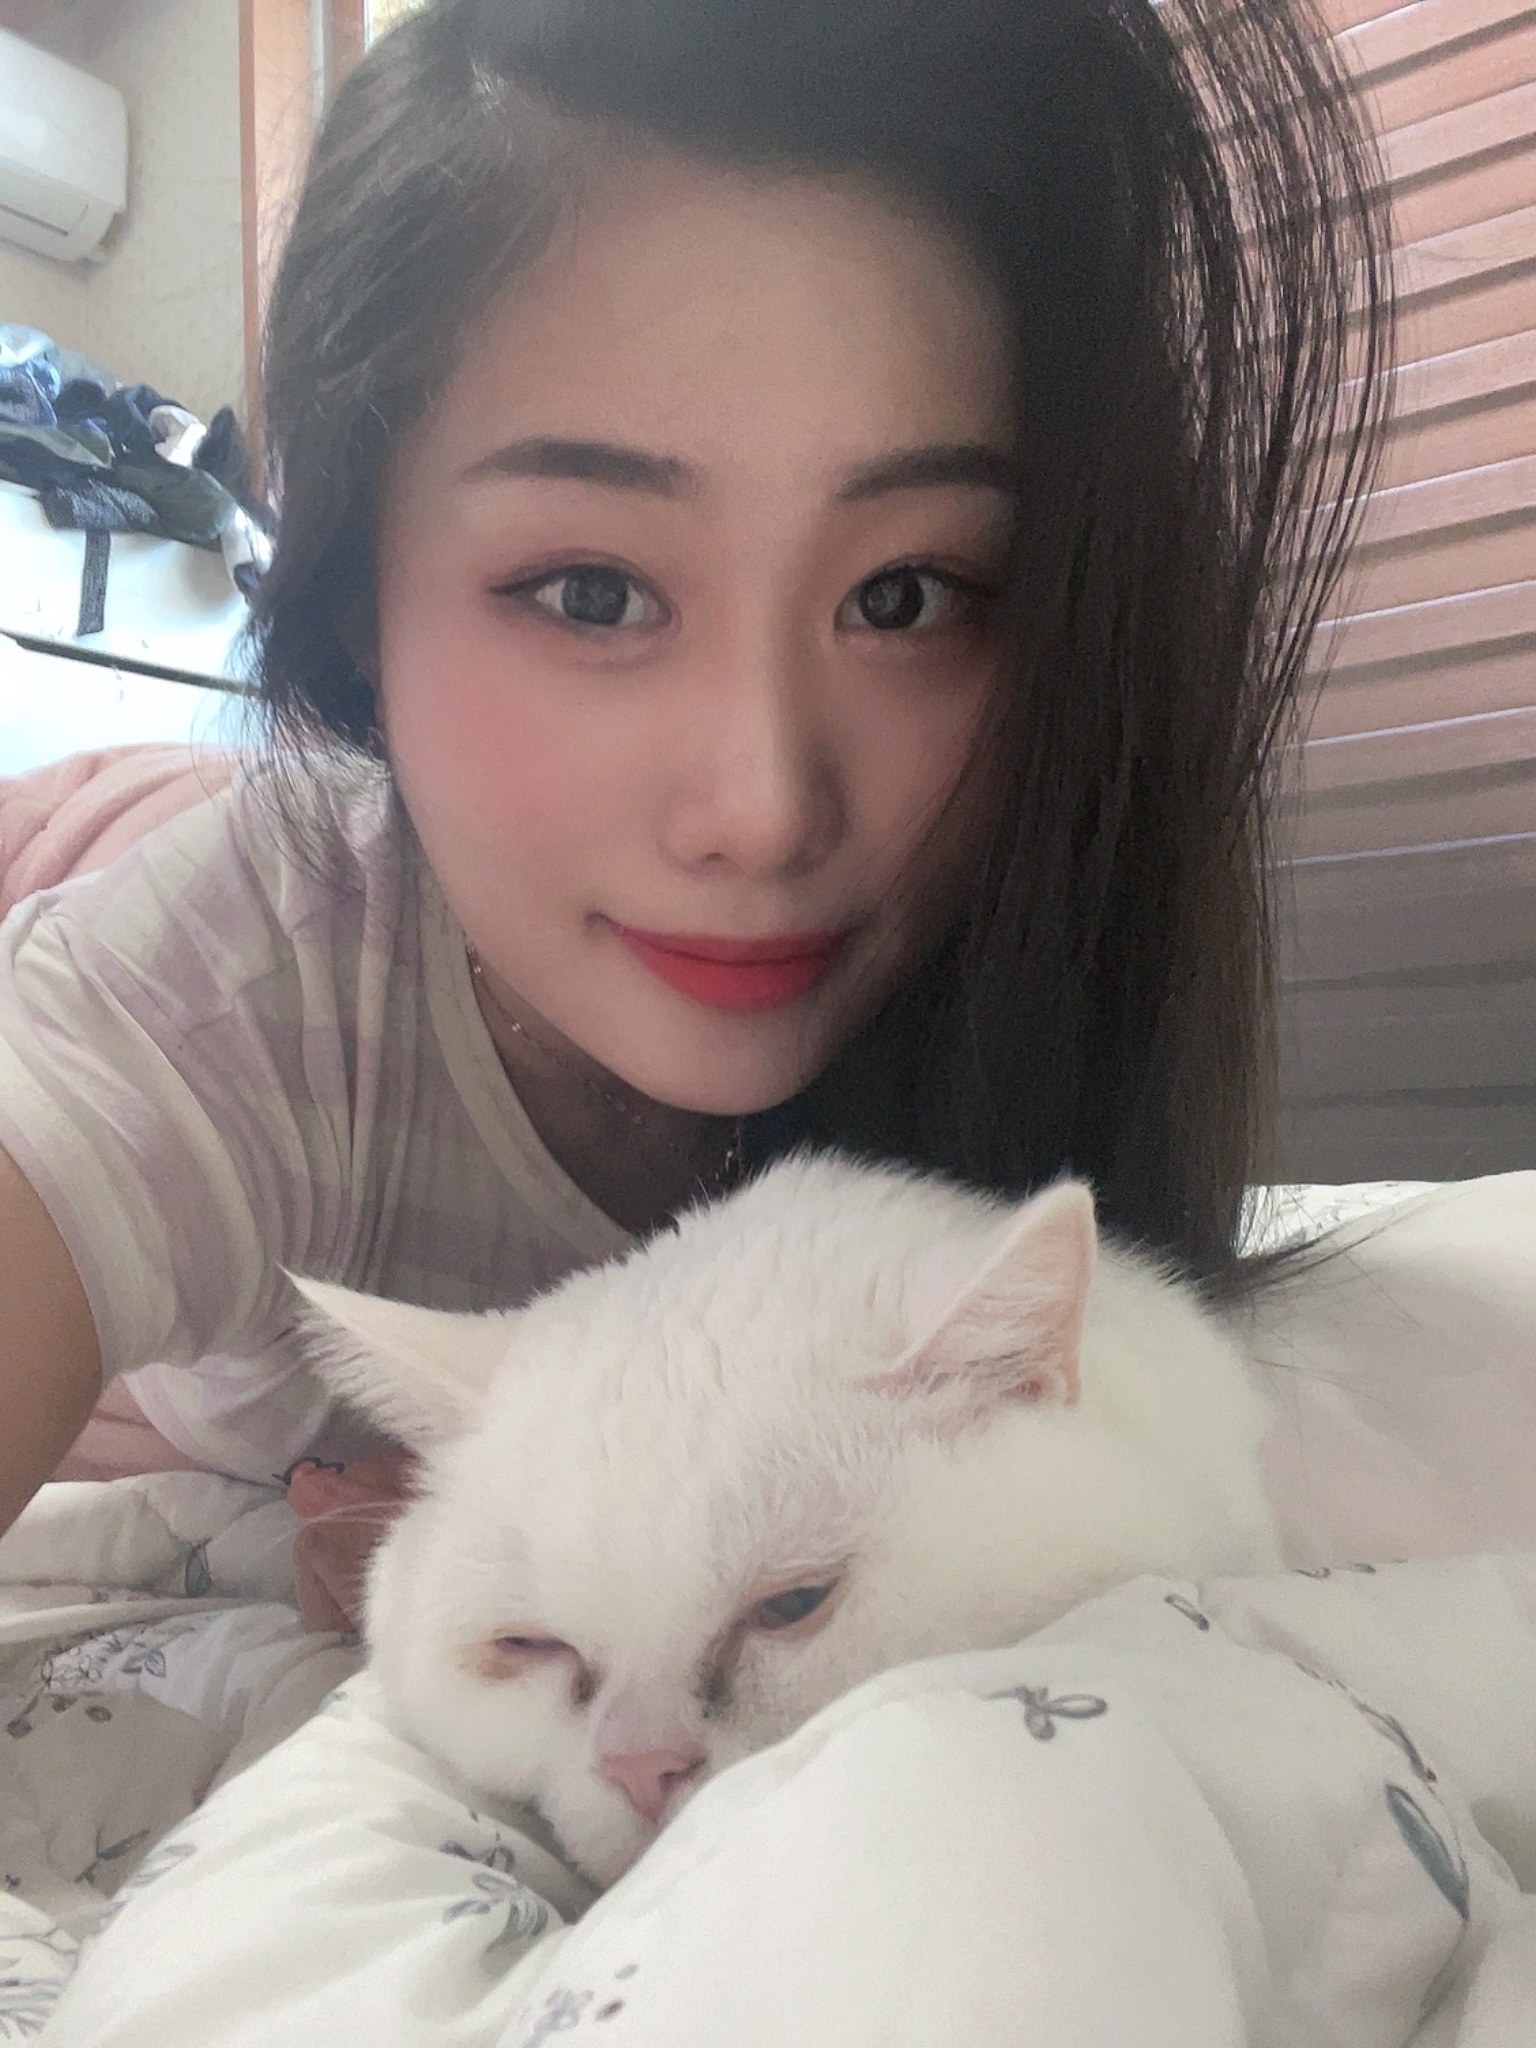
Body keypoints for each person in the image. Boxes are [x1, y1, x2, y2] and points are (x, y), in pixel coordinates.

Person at [0, 0, 1390, 1546]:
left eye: (907, 595)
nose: (767, 812)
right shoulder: (217, 999)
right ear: (352, 604)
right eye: (592, 592)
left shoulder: (1035, 970)